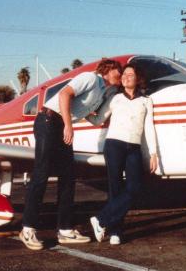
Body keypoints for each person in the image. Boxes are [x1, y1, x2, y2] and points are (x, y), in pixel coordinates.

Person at [20, 59, 122, 250]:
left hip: (61, 125)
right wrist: (68, 125)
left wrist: (114, 104)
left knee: (68, 177)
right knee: (41, 175)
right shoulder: (90, 78)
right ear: (108, 70)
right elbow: (65, 95)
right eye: (119, 71)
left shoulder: (102, 92)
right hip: (49, 121)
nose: (121, 74)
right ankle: (28, 228)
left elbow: (95, 119)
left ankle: (65, 229)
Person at [87, 63, 158, 245]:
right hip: (114, 146)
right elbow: (97, 119)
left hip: (133, 147)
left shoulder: (146, 101)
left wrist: (153, 153)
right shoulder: (115, 98)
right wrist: (79, 111)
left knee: (135, 188)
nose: (125, 77)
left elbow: (149, 128)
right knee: (115, 189)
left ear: (137, 78)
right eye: (124, 74)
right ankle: (115, 232)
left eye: (130, 74)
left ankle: (101, 220)